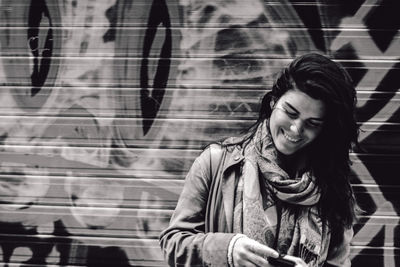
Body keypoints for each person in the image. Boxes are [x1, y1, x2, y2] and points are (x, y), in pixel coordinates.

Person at [159, 53, 359, 267]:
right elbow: (173, 243)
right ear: (273, 102)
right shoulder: (215, 162)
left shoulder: (331, 186)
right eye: (290, 113)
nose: (296, 129)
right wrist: (227, 249)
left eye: (312, 123)